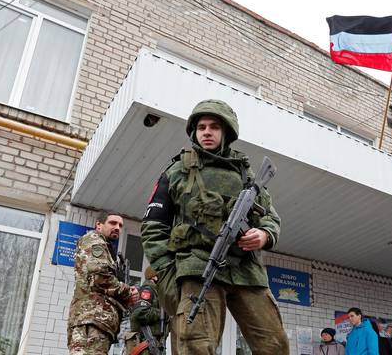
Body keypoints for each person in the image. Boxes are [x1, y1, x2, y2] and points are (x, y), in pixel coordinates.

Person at [141, 99, 288, 355]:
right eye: (201, 127)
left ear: (226, 132)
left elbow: (270, 217)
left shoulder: (247, 175)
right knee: (195, 344)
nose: (207, 132)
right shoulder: (176, 171)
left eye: (214, 127)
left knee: (274, 344)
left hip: (246, 270)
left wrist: (264, 235)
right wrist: (167, 274)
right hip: (198, 267)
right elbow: (153, 227)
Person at [67, 212, 138, 354]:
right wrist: (127, 291)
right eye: (112, 223)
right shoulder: (94, 240)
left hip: (98, 322)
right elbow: (99, 277)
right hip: (92, 320)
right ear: (99, 225)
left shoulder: (105, 247)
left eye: (120, 225)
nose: (117, 227)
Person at [124, 266, 167, 354]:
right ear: (154, 277)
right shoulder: (147, 290)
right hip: (145, 344)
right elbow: (140, 312)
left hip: (154, 345)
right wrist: (162, 314)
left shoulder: (156, 292)